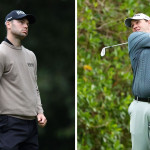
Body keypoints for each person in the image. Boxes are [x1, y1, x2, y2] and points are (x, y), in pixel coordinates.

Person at [0, 10, 47, 150]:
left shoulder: (31, 55)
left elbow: (34, 86)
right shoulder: (1, 52)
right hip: (9, 123)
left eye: (27, 23)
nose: (25, 26)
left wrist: (40, 111)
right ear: (8, 24)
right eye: (21, 22)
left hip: (31, 125)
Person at [125, 13, 150, 150]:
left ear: (149, 22)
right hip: (141, 105)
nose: (134, 27)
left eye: (138, 22)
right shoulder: (134, 39)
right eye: (132, 25)